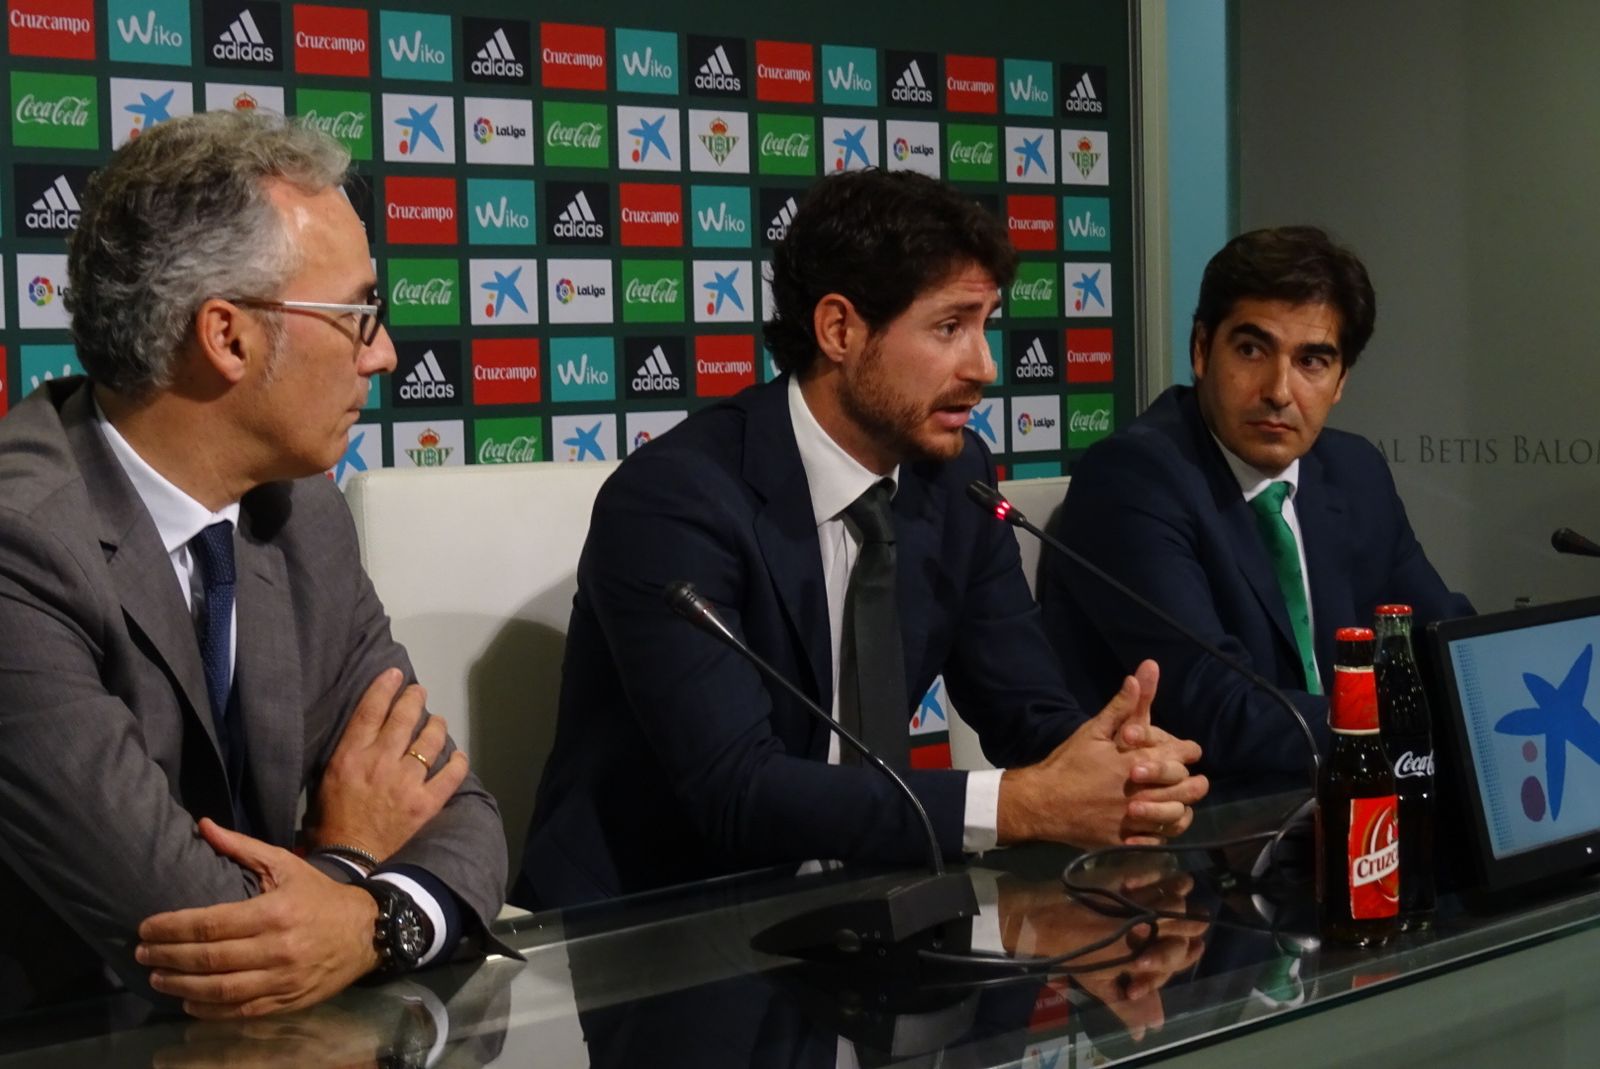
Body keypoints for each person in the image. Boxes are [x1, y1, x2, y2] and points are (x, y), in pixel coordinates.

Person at [513, 169, 1208, 909]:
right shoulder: (674, 502)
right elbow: (737, 790)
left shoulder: (955, 477)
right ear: (840, 330)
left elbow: (1024, 708)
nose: (984, 367)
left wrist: (1112, 768)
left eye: (987, 324)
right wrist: (1021, 806)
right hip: (655, 931)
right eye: (949, 328)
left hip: (868, 914)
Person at [0, 112, 506, 1018]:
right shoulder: (20, 547)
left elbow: (458, 810)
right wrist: (351, 861)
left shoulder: (302, 513)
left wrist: (365, 921)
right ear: (227, 337)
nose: (385, 353)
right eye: (359, 314)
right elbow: (188, 933)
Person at [1041, 226, 1472, 783]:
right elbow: (1214, 707)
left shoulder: (1353, 470)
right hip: (1199, 825)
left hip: (1341, 803)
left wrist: (1485, 694)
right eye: (1252, 350)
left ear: (1340, 381)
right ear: (1200, 350)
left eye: (1312, 362)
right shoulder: (1134, 478)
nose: (1278, 390)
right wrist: (1406, 728)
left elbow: (1439, 637)